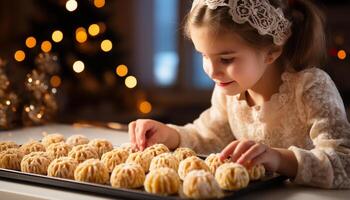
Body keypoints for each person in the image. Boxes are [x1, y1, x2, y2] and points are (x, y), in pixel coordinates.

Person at [128, 0, 350, 188]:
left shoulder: (310, 87)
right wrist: (171, 136)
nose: (212, 71)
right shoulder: (229, 91)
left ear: (272, 51)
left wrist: (280, 158)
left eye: (226, 59)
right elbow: (210, 138)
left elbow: (344, 163)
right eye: (204, 56)